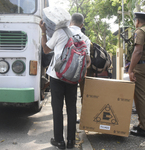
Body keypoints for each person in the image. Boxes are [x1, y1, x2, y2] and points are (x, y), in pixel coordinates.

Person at [39, 13, 91, 149]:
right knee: (72, 108)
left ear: (70, 22)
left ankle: (59, 141)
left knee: (57, 108)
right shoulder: (86, 39)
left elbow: (45, 50)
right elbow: (88, 62)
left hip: (57, 76)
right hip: (73, 79)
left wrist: (44, 32)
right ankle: (71, 141)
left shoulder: (60, 32)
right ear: (82, 25)